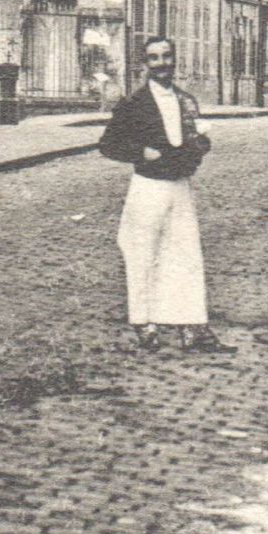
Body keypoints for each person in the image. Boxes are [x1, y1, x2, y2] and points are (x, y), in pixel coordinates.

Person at [98, 35, 229, 353]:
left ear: (174, 59)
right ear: (145, 65)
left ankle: (191, 328)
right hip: (148, 187)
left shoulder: (186, 100)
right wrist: (142, 152)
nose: (161, 64)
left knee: (186, 256)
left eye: (166, 56)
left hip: (180, 186)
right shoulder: (135, 104)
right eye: (154, 58)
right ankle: (144, 324)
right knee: (142, 253)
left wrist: (200, 144)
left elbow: (195, 139)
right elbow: (109, 144)